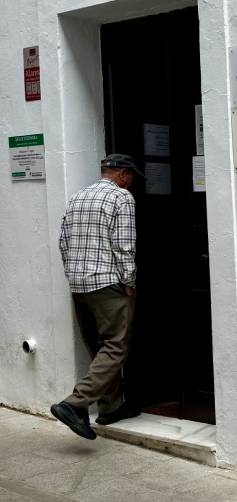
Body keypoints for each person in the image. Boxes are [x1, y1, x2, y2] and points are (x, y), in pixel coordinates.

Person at [50, 154, 143, 440]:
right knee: (115, 346)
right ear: (123, 174)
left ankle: (111, 407)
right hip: (107, 283)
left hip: (79, 284)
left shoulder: (77, 197)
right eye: (131, 177)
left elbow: (63, 242)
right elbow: (123, 245)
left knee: (99, 346)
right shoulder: (121, 197)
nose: (131, 183)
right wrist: (129, 281)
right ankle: (75, 404)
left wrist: (73, 274)